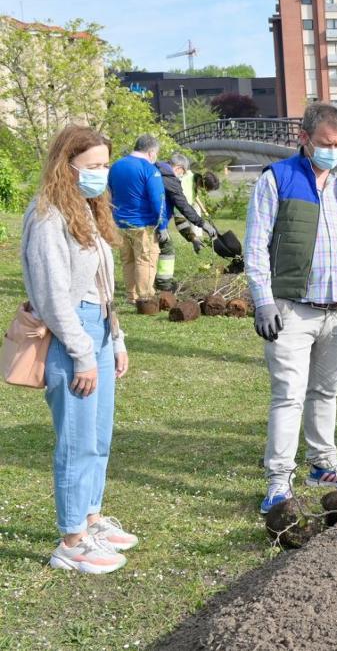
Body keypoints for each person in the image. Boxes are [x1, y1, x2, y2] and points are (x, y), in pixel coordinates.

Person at [245, 102, 337, 513]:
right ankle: (278, 479)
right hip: (292, 309)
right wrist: (262, 300)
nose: (332, 151)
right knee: (289, 394)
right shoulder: (278, 180)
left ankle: (323, 462)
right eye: (325, 143)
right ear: (303, 139)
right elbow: (256, 244)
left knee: (327, 389)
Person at [24, 125, 134, 574]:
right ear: (65, 167)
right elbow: (53, 296)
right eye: (92, 166)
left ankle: (91, 518)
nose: (101, 174)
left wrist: (117, 338)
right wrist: (83, 354)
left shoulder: (86, 210)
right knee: (76, 441)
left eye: (105, 164)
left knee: (99, 436)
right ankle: (71, 541)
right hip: (73, 335)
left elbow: (101, 282)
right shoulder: (48, 216)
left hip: (99, 328)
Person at [107, 134, 167, 303]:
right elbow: (158, 201)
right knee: (145, 259)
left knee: (128, 260)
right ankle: (146, 297)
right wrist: (162, 225)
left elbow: (110, 193)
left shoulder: (116, 166)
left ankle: (131, 296)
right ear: (151, 152)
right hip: (143, 224)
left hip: (120, 222)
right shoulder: (149, 169)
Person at [154, 153, 217, 292]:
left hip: (153, 217)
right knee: (165, 249)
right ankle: (163, 284)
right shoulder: (185, 186)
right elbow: (180, 220)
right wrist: (193, 237)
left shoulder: (190, 175)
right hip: (156, 218)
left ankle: (154, 283)